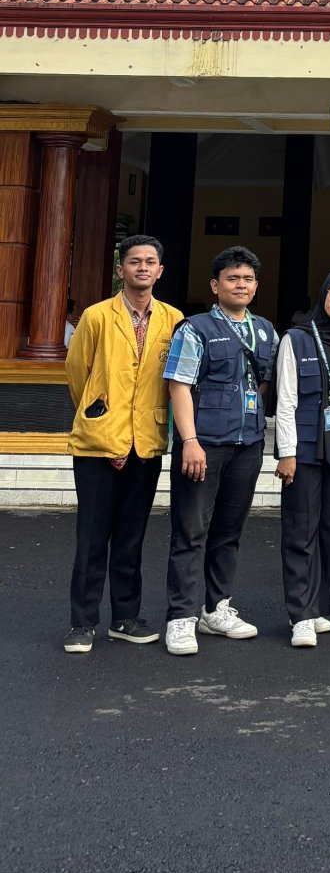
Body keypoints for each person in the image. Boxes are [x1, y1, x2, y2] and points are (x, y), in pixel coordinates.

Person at [63, 235, 183, 654]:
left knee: (132, 536)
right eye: (135, 261)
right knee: (92, 536)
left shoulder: (173, 319)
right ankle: (82, 623)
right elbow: (77, 372)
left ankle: (125, 618)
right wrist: (100, 415)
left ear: (160, 271)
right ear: (121, 269)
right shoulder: (97, 316)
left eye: (150, 261)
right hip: (99, 443)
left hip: (146, 442)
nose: (143, 267)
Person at [162, 246, 277, 657]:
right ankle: (180, 616)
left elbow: (261, 384)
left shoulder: (266, 330)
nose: (240, 285)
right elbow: (178, 385)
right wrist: (190, 441)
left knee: (229, 532)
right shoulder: (194, 329)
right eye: (232, 279)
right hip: (204, 445)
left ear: (256, 286)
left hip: (247, 445)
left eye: (247, 279)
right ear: (215, 285)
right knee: (191, 532)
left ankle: (216, 609)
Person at [274, 271, 330, 648]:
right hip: (304, 451)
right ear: (323, 294)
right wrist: (287, 452)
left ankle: (320, 608)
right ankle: (301, 614)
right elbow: (285, 400)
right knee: (301, 532)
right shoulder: (295, 339)